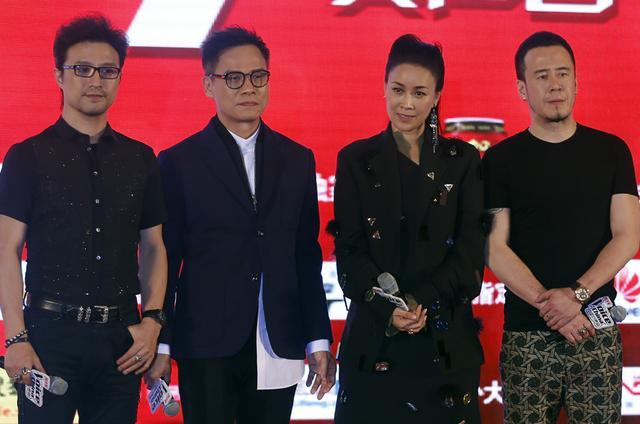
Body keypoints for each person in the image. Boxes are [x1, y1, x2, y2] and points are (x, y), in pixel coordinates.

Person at [148, 26, 335, 424]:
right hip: (206, 341)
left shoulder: (297, 160)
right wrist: (162, 343)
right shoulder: (178, 162)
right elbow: (166, 258)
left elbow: (306, 257)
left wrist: (318, 337)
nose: (248, 87)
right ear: (208, 84)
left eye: (258, 76)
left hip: (278, 335)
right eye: (233, 77)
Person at [0, 14, 168, 424]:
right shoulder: (27, 156)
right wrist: (15, 337)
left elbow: (153, 247)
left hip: (121, 339)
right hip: (48, 336)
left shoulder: (140, 159)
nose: (96, 80)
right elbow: (6, 249)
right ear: (59, 75)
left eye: (108, 71)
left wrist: (152, 321)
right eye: (82, 69)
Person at [483, 31, 640, 423]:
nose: (554, 84)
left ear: (576, 81)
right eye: (541, 76)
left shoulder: (612, 151)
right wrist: (553, 306)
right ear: (522, 88)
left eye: (562, 73)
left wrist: (576, 296)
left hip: (595, 331)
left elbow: (627, 235)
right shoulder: (500, 160)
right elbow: (494, 247)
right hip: (527, 336)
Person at [332, 34, 484, 424]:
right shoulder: (355, 160)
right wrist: (389, 308)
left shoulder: (463, 161)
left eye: (419, 93)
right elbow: (349, 251)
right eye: (398, 90)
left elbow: (469, 256)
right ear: (384, 87)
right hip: (373, 344)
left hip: (446, 347)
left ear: (436, 97)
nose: (407, 103)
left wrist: (418, 301)